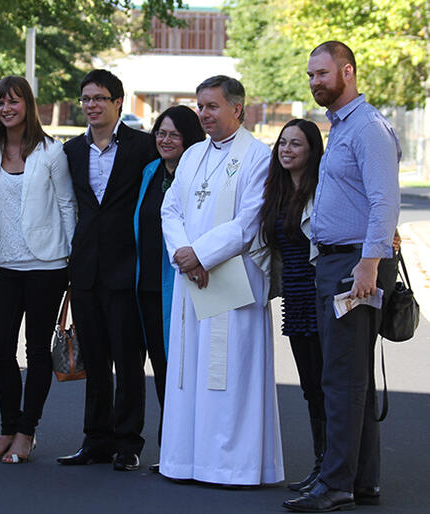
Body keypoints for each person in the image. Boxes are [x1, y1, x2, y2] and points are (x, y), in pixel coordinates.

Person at [283, 41, 400, 513]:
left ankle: (334, 485)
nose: (314, 82)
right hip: (338, 262)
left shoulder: (367, 128)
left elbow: (384, 201)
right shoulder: (343, 127)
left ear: (348, 72)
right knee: (355, 380)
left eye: (322, 73)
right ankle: (361, 481)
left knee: (340, 380)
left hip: (355, 266)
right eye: (311, 75)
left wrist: (368, 264)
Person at [159, 75, 284, 486]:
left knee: (229, 372)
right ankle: (186, 461)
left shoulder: (258, 156)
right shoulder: (193, 154)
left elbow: (249, 221)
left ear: (237, 109)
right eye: (200, 106)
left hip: (232, 283)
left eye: (212, 106)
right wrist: (184, 254)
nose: (204, 114)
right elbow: (170, 209)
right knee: (187, 371)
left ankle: (232, 467)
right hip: (190, 279)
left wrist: (202, 254)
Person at [57, 69, 156, 472]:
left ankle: (128, 443)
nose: (92, 105)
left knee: (128, 362)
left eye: (100, 98)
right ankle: (95, 440)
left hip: (127, 269)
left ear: (119, 102)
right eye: (86, 99)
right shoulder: (71, 152)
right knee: (94, 361)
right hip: (85, 272)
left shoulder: (144, 147)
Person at [0, 76, 77, 464]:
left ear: (28, 106)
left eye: (14, 102)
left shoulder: (52, 152)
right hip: (4, 264)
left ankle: (26, 432)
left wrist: (71, 263)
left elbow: (67, 206)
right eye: (0, 103)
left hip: (47, 266)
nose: (6, 109)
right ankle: (6, 428)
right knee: (0, 349)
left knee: (36, 352)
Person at [133, 106, 205, 472]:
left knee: (175, 368)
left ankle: (177, 449)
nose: (165, 140)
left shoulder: (195, 178)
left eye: (174, 134)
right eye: (160, 133)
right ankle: (165, 448)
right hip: (143, 286)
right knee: (154, 366)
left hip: (178, 286)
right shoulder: (150, 172)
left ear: (189, 138)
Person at [258, 119, 325, 491]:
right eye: (282, 143)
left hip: (322, 295)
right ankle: (322, 463)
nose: (286, 149)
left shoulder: (323, 190)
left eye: (295, 144)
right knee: (310, 386)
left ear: (312, 151)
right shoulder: (278, 192)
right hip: (295, 300)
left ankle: (331, 466)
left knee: (329, 386)